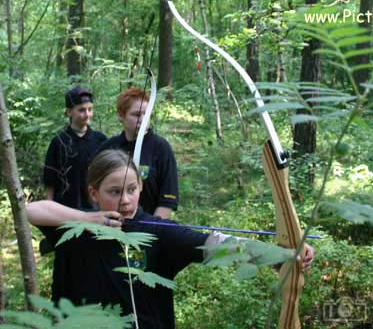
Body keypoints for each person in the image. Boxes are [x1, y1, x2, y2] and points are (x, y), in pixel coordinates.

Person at [27, 149, 315, 329]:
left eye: (131, 189)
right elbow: (29, 210)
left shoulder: (157, 231)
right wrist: (87, 219)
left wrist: (278, 256)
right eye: (114, 191)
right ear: (93, 193)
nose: (126, 200)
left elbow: (213, 243)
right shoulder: (76, 229)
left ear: (140, 186)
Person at [97, 87, 177, 219]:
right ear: (121, 115)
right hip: (112, 227)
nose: (143, 119)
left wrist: (153, 229)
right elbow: (95, 191)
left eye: (146, 114)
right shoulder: (108, 147)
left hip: (150, 229)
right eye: (136, 114)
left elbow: (167, 201)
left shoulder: (161, 148)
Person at [43, 86, 107, 210]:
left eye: (90, 109)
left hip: (94, 208)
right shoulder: (59, 142)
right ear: (69, 112)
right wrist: (50, 206)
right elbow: (50, 179)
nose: (87, 114)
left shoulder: (100, 140)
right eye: (81, 110)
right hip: (65, 209)